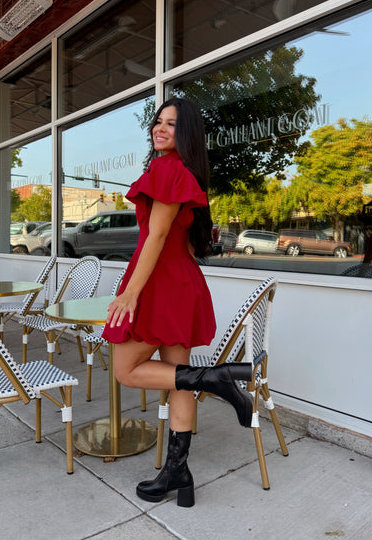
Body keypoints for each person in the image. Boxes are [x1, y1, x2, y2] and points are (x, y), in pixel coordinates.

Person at [102, 97, 253, 507]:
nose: (160, 128)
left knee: (126, 369)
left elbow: (156, 237)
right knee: (177, 375)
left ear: (186, 133)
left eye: (171, 124)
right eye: (158, 121)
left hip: (161, 285)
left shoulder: (168, 170)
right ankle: (178, 473)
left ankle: (216, 379)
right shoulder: (180, 172)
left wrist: (132, 290)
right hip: (178, 280)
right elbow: (180, 242)